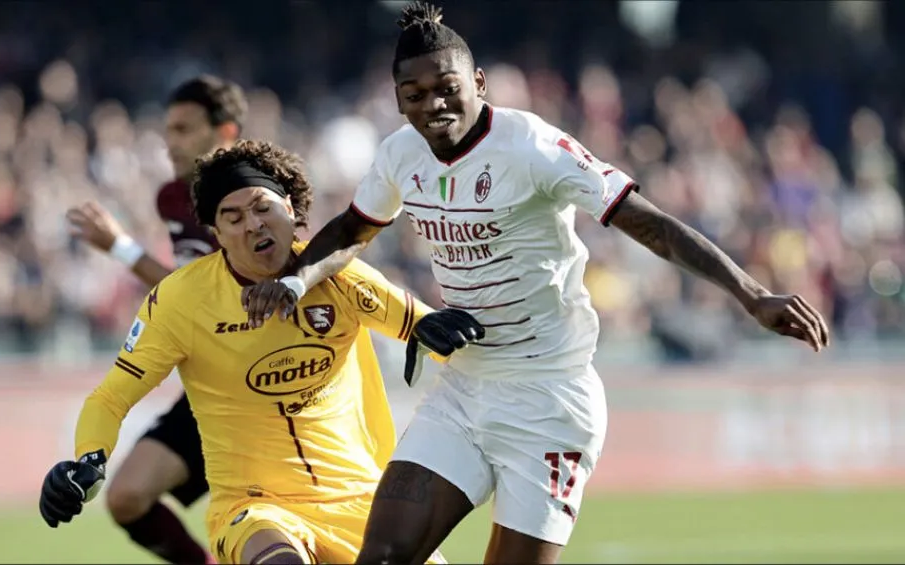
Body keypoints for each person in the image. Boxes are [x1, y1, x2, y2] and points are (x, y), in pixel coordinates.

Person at [241, 3, 832, 564]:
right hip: (464, 390)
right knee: (384, 556)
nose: (435, 105)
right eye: (415, 94)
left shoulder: (532, 147)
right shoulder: (400, 155)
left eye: (448, 87)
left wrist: (752, 295)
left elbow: (648, 224)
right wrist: (293, 282)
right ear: (397, 100)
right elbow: (352, 227)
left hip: (550, 400)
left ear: (479, 81)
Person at [40, 140, 467, 564]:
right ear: (217, 233)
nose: (253, 225)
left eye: (263, 208)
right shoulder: (181, 300)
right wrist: (88, 461)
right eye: (233, 217)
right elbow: (111, 396)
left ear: (290, 207)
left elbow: (433, 331)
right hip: (257, 509)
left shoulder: (339, 275)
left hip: (362, 504)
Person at [64, 75, 246, 564]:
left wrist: (121, 249)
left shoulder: (251, 200)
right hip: (208, 389)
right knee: (126, 497)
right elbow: (189, 293)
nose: (171, 142)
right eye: (168, 130)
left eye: (184, 129)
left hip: (262, 386)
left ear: (224, 131)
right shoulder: (173, 198)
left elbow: (218, 298)